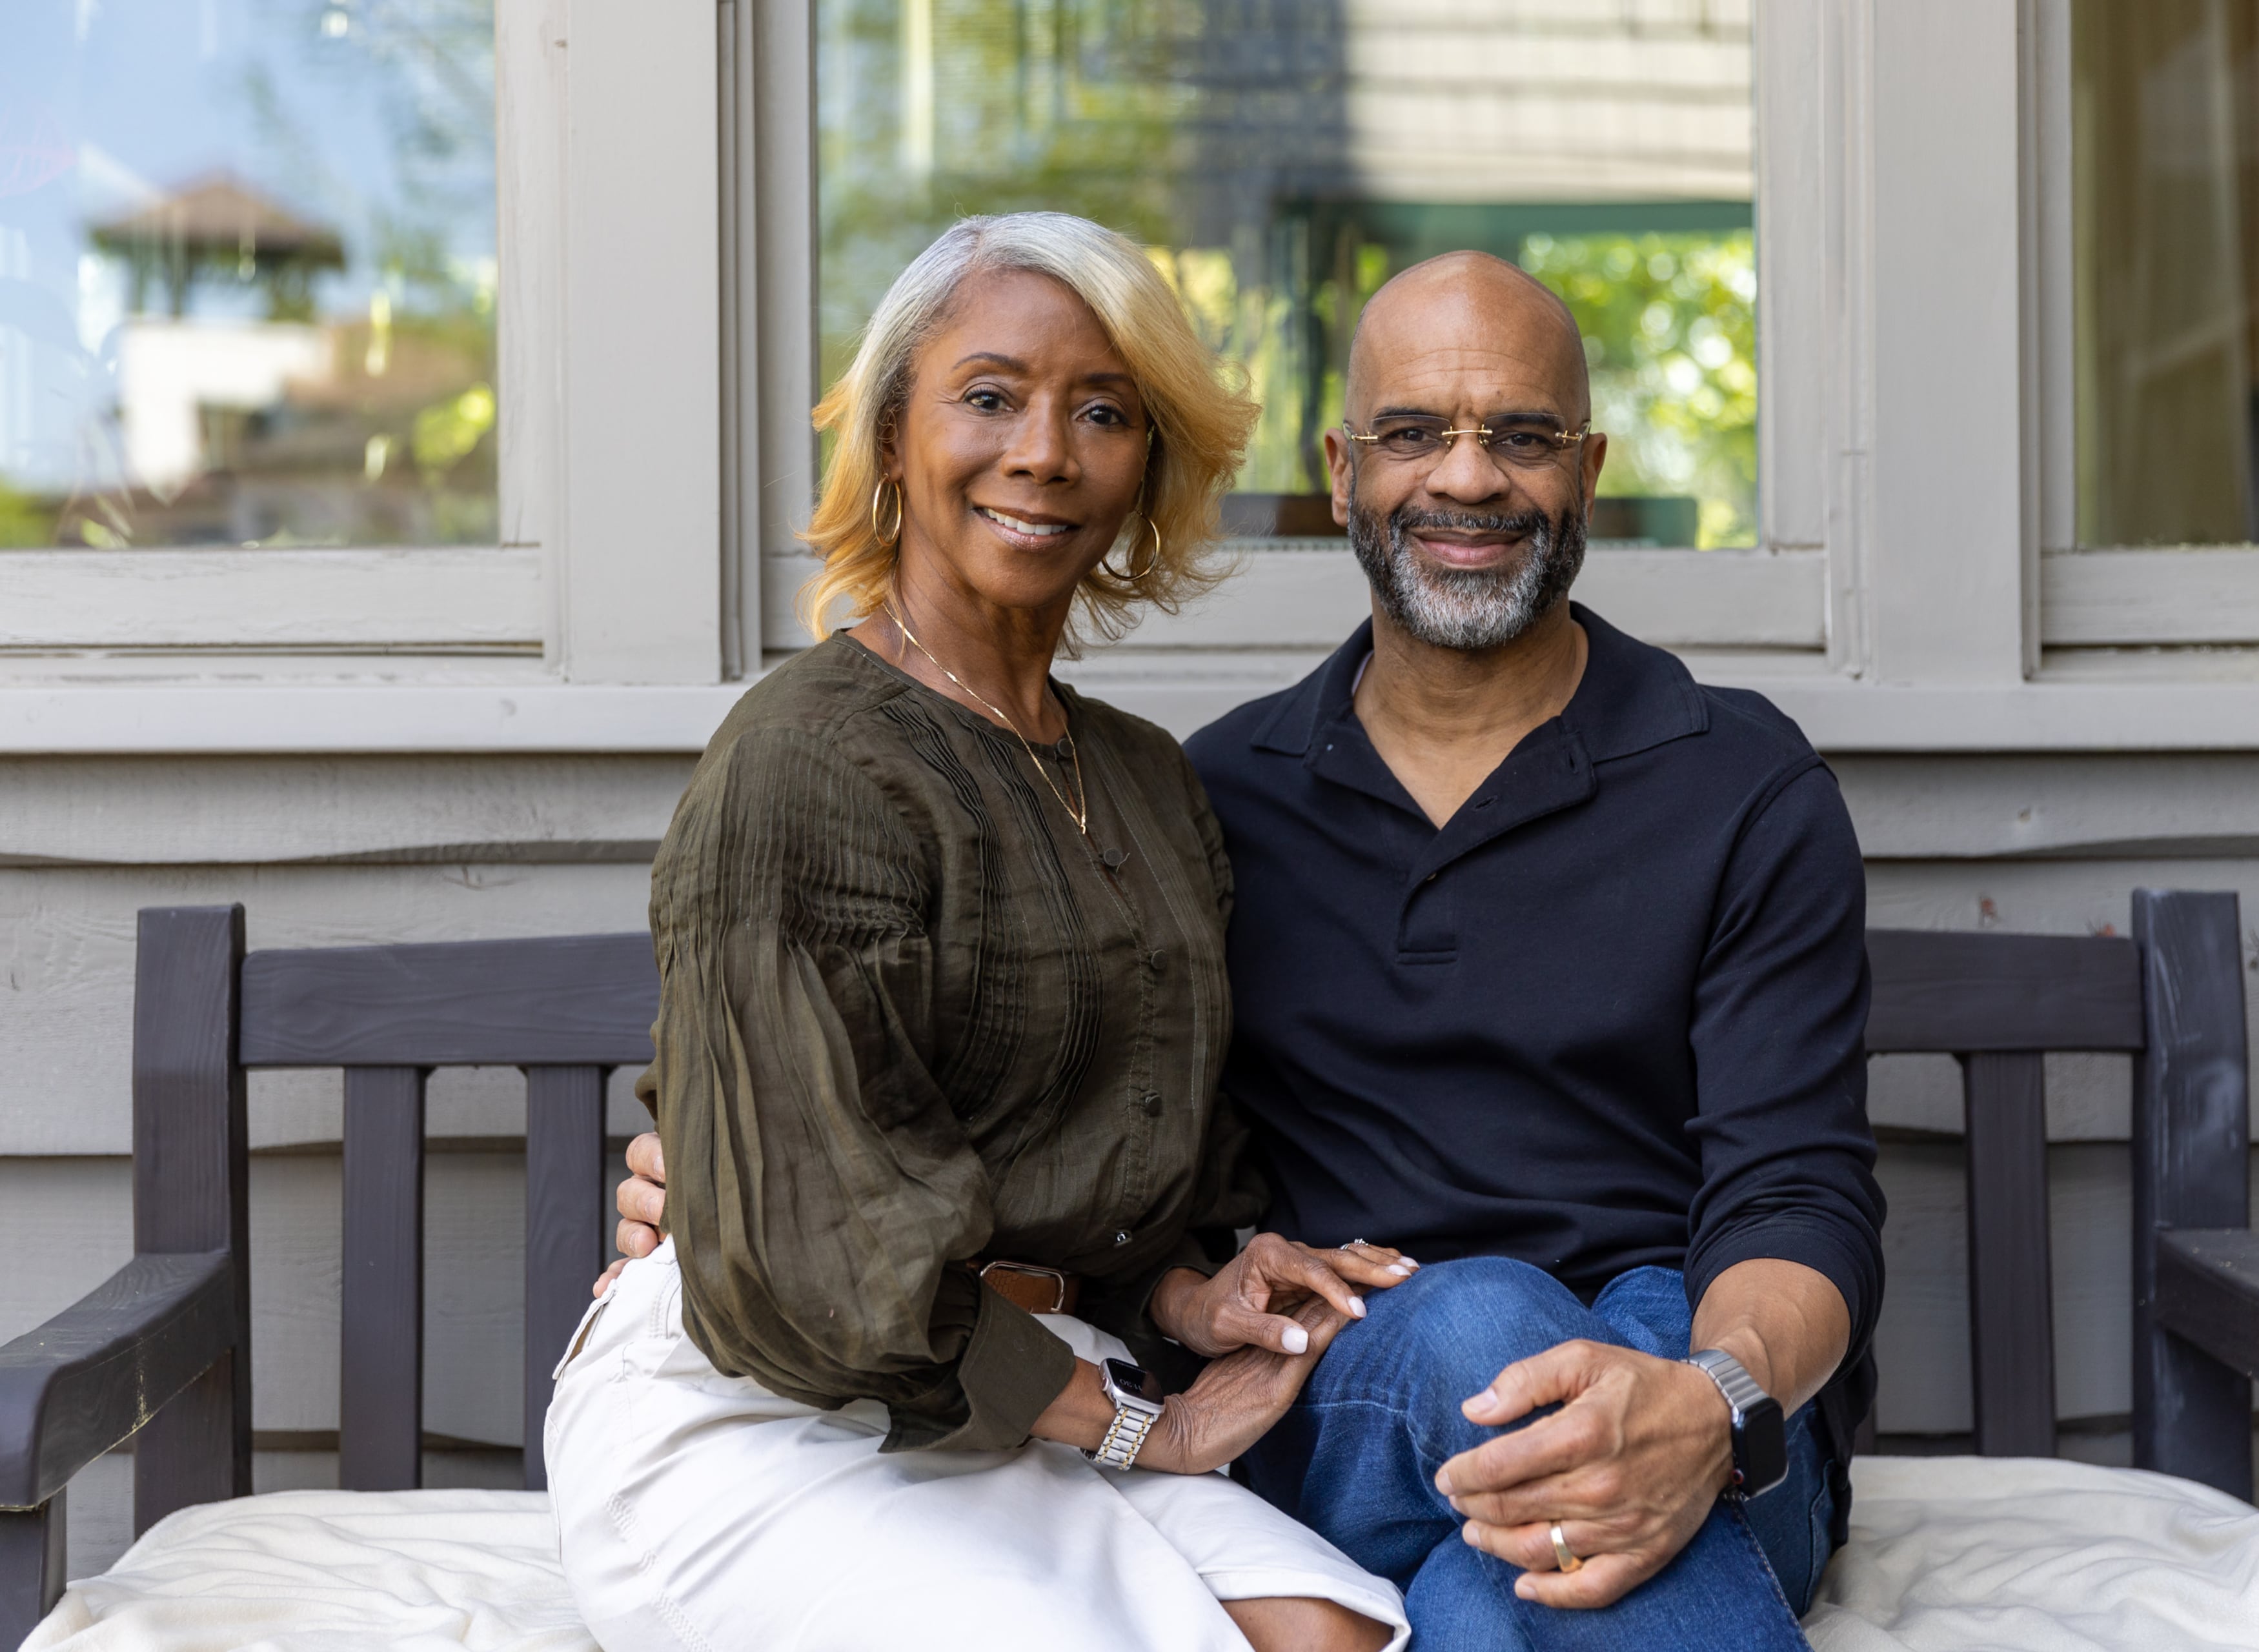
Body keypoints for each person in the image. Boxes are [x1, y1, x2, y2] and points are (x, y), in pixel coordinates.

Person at [610, 251, 1881, 1650]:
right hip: (1350, 1375)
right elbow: (979, 1115)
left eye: (1521, 436)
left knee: (1480, 1591)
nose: (1467, 477)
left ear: (1586, 472)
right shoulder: (1228, 793)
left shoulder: (1739, 783)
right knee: (1485, 1322)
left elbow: (1797, 1192)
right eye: (1413, 432)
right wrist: (735, 1170)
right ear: (1342, 473)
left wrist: (1709, 1397)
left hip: (1703, 1393)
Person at [547, 212, 1410, 1652]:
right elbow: (807, 1262)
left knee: (1337, 1632)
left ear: (1148, 465)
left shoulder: (1145, 780)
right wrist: (1145, 1427)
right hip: (764, 1405)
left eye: (1104, 412)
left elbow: (1109, 1164)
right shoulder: (806, 761)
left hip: (1018, 1372)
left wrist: (1193, 1293)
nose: (1046, 453)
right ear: (894, 436)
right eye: (991, 396)